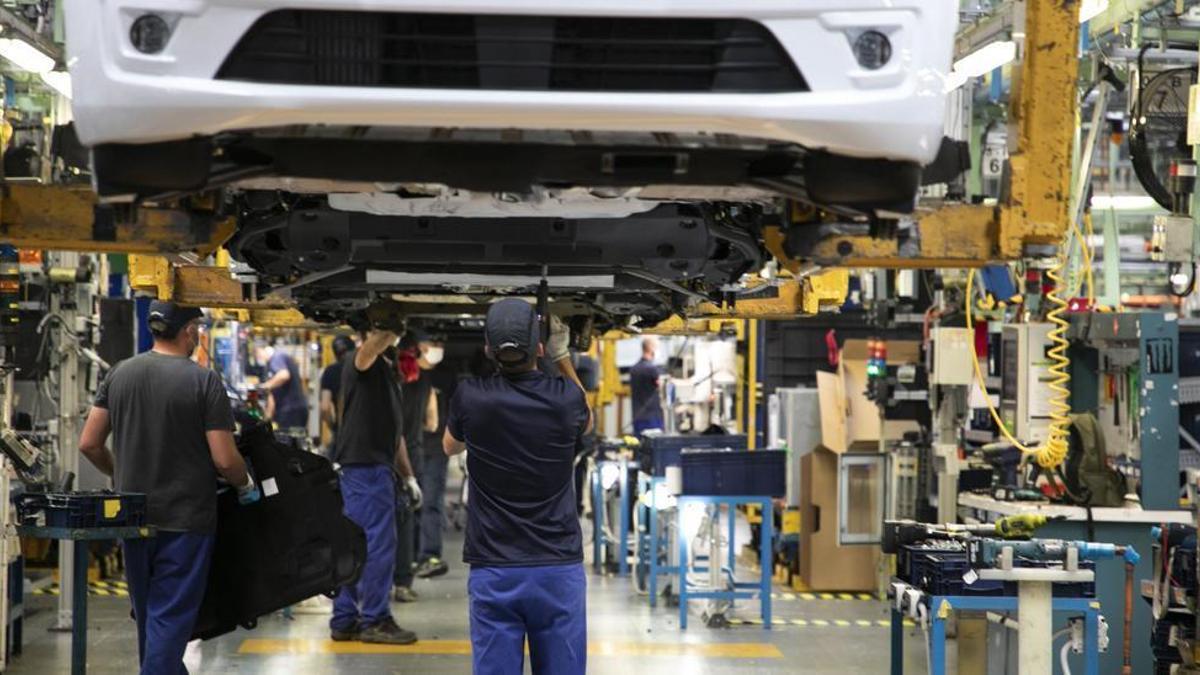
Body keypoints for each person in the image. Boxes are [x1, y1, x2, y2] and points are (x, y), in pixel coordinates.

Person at [78, 301, 261, 675]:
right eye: (197, 328)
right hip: (184, 521)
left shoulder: (119, 374)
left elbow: (89, 443)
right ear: (189, 330)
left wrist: (120, 474)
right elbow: (225, 459)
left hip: (134, 518)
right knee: (170, 619)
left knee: (152, 619)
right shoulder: (203, 381)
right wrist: (246, 484)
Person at [444, 300, 591, 675]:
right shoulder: (565, 400)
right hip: (557, 569)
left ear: (489, 350)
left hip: (495, 569)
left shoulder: (471, 396)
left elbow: (449, 445)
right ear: (539, 348)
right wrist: (562, 356)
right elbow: (584, 420)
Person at [329, 327, 420, 645]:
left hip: (373, 471)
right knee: (378, 548)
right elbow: (366, 353)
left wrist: (408, 477)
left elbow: (397, 438)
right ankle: (375, 619)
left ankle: (344, 619)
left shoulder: (387, 381)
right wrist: (391, 325)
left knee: (356, 546)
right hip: (365, 472)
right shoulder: (362, 363)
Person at [393, 330, 436, 602]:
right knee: (408, 521)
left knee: (381, 522)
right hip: (414, 453)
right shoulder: (425, 382)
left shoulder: (386, 379)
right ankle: (403, 583)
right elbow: (432, 422)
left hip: (385, 455)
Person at [416, 336, 455, 579]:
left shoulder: (446, 375)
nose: (438, 349)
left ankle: (429, 555)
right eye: (434, 344)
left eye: (442, 344)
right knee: (410, 504)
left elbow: (454, 410)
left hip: (436, 448)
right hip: (411, 447)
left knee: (431, 501)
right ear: (421, 346)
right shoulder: (407, 373)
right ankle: (409, 556)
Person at [256, 340, 309, 432]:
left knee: (290, 441)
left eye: (256, 353)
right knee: (284, 440)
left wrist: (265, 386)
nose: (257, 357)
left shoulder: (277, 357)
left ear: (262, 349)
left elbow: (284, 375)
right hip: (286, 411)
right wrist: (267, 419)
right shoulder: (269, 365)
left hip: (292, 411)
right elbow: (272, 394)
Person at [319, 335, 356, 455]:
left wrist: (334, 427)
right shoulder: (363, 369)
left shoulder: (330, 371)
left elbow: (324, 408)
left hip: (342, 432)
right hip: (365, 434)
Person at [629, 337, 665, 433]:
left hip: (637, 416)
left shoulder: (634, 368)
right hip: (652, 418)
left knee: (640, 446)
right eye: (657, 348)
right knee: (654, 446)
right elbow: (662, 385)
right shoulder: (652, 369)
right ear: (651, 348)